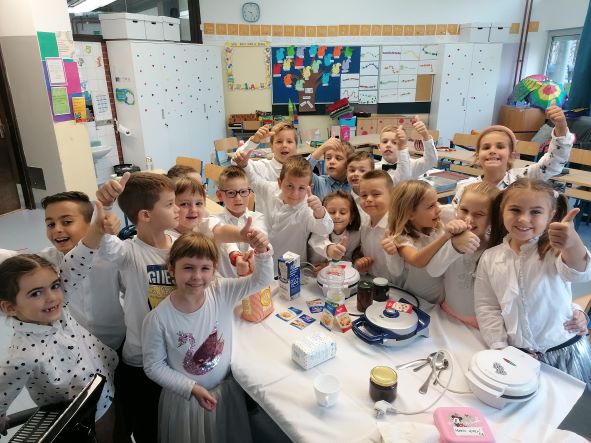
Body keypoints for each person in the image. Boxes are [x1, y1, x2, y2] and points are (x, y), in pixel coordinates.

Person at [91, 172, 264, 443]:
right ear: (146, 215)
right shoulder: (128, 252)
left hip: (180, 357)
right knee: (154, 431)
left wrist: (241, 248)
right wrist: (106, 205)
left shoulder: (179, 246)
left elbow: (209, 268)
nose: (179, 210)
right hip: (143, 361)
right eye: (172, 204)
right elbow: (102, 242)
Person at [0, 204, 119, 443]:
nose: (52, 297)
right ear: (10, 307)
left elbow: (76, 264)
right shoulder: (23, 355)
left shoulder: (58, 309)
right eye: (35, 293)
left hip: (106, 386)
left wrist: (96, 230)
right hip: (81, 415)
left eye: (54, 286)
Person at [142, 231, 272, 443]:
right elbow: (153, 366)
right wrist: (191, 388)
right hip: (186, 401)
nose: (197, 276)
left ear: (214, 270)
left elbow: (261, 280)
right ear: (171, 268)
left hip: (225, 393)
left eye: (205, 268)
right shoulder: (158, 319)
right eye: (188, 268)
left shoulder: (221, 292)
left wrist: (262, 251)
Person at [475, 178, 591, 388]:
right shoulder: (490, 257)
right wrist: (500, 346)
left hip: (564, 351)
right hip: (516, 355)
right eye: (515, 210)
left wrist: (572, 243)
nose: (524, 219)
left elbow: (580, 273)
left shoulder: (554, 250)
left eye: (536, 212)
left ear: (551, 215)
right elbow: (487, 307)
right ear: (502, 210)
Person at [39, 191, 126, 350]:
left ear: (90, 224)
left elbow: (132, 291)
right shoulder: (45, 262)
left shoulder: (110, 255)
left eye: (67, 222)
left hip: (116, 340)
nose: (57, 229)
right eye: (50, 224)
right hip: (75, 349)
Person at [451, 102, 572, 207]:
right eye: (486, 147)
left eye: (500, 146)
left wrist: (561, 127)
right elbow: (456, 216)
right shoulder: (466, 187)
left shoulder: (522, 180)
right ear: (477, 156)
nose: (492, 151)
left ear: (512, 155)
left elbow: (553, 163)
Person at [385, 180, 479, 305]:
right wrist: (445, 237)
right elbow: (417, 260)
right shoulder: (402, 238)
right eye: (431, 206)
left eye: (437, 202)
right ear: (410, 214)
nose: (438, 209)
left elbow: (458, 209)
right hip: (417, 301)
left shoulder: (436, 224)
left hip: (441, 300)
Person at [234, 155, 333, 270]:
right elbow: (254, 180)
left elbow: (325, 229)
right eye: (290, 186)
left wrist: (320, 211)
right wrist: (244, 165)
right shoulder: (271, 189)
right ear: (280, 183)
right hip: (264, 262)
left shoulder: (307, 209)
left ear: (309, 187)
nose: (295, 194)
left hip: (292, 270)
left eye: (301, 188)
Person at [213, 166, 266, 277]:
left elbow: (259, 235)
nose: (238, 198)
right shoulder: (215, 221)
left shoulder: (258, 218)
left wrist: (251, 254)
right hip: (226, 283)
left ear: (249, 193)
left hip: (252, 281)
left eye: (243, 192)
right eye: (231, 193)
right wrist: (236, 257)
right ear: (219, 195)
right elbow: (226, 242)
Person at [354, 170, 396, 279]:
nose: (368, 199)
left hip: (396, 286)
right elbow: (363, 255)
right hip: (371, 281)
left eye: (376, 194)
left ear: (392, 195)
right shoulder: (364, 226)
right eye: (363, 195)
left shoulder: (397, 227)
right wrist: (362, 264)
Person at [308, 190, 362, 270]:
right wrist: (330, 250)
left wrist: (328, 265)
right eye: (332, 212)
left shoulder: (355, 235)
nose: (337, 216)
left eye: (343, 212)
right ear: (324, 214)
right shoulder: (319, 230)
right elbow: (317, 242)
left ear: (351, 217)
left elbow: (348, 259)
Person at [376, 116, 438, 183]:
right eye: (385, 142)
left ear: (404, 146)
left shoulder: (412, 165)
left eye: (395, 142)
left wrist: (425, 135)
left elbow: (431, 160)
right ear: (379, 147)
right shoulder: (374, 169)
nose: (388, 145)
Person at [232, 122, 298, 181]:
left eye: (289, 141)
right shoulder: (262, 168)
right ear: (271, 146)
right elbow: (236, 162)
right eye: (279, 141)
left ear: (296, 146)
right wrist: (254, 141)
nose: (284, 145)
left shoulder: (302, 169)